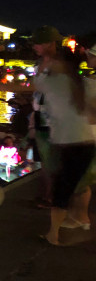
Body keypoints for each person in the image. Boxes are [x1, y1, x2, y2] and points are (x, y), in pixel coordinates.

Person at [32, 26, 96, 245]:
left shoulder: (59, 83)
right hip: (81, 143)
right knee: (72, 185)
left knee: (66, 188)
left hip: (72, 143)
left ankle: (58, 232)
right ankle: (68, 224)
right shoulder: (84, 84)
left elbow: (34, 86)